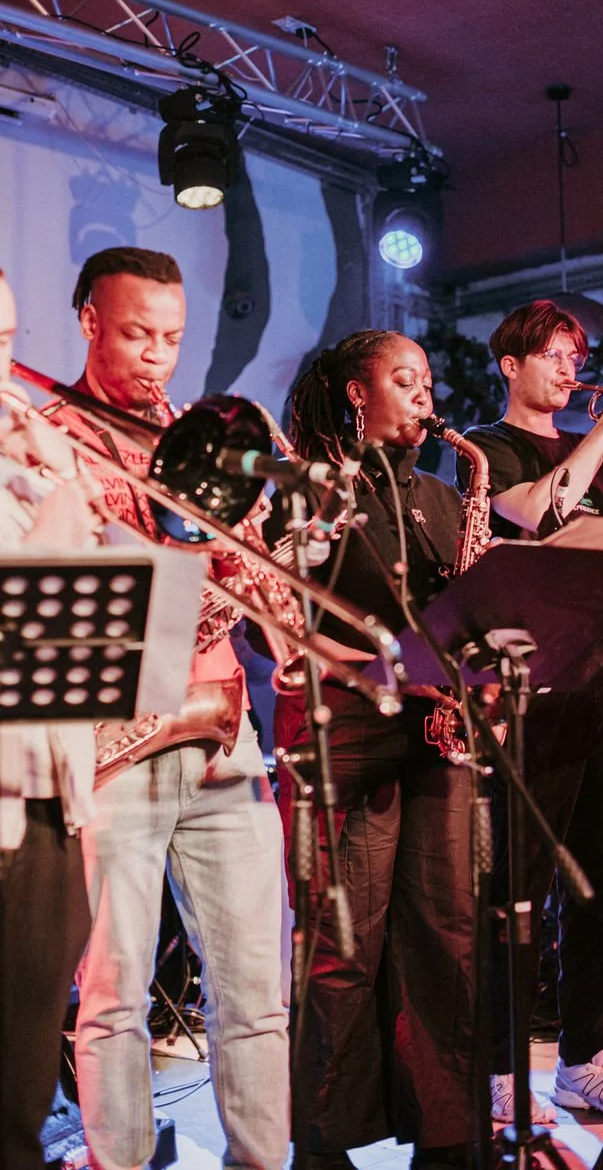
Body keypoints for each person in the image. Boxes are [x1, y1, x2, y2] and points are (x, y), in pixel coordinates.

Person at [59, 247, 289, 1170]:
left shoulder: (202, 437)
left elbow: (254, 588)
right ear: (89, 321)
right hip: (114, 738)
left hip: (221, 731)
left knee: (257, 992)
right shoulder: (50, 439)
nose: (157, 356)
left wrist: (257, 560)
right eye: (136, 334)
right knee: (113, 996)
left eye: (173, 337)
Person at [265, 330, 478, 1168]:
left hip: (435, 736)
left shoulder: (442, 495)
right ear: (359, 393)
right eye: (405, 379)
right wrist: (379, 666)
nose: (425, 394)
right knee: (342, 945)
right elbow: (277, 621)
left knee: (446, 936)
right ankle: (322, 1144)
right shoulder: (313, 489)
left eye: (427, 381)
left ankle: (448, 1133)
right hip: (347, 734)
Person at [457, 299, 603, 1123]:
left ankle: (582, 1060)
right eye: (553, 355)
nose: (571, 370)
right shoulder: (488, 447)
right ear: (511, 366)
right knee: (520, 882)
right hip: (533, 688)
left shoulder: (597, 455)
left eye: (577, 357)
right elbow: (540, 512)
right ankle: (501, 1067)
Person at [0, 269, 99, 1170]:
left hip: (45, 789)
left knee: (26, 1054)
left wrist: (58, 476)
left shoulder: (26, 465)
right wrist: (57, 493)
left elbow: (90, 618)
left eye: (4, 340)